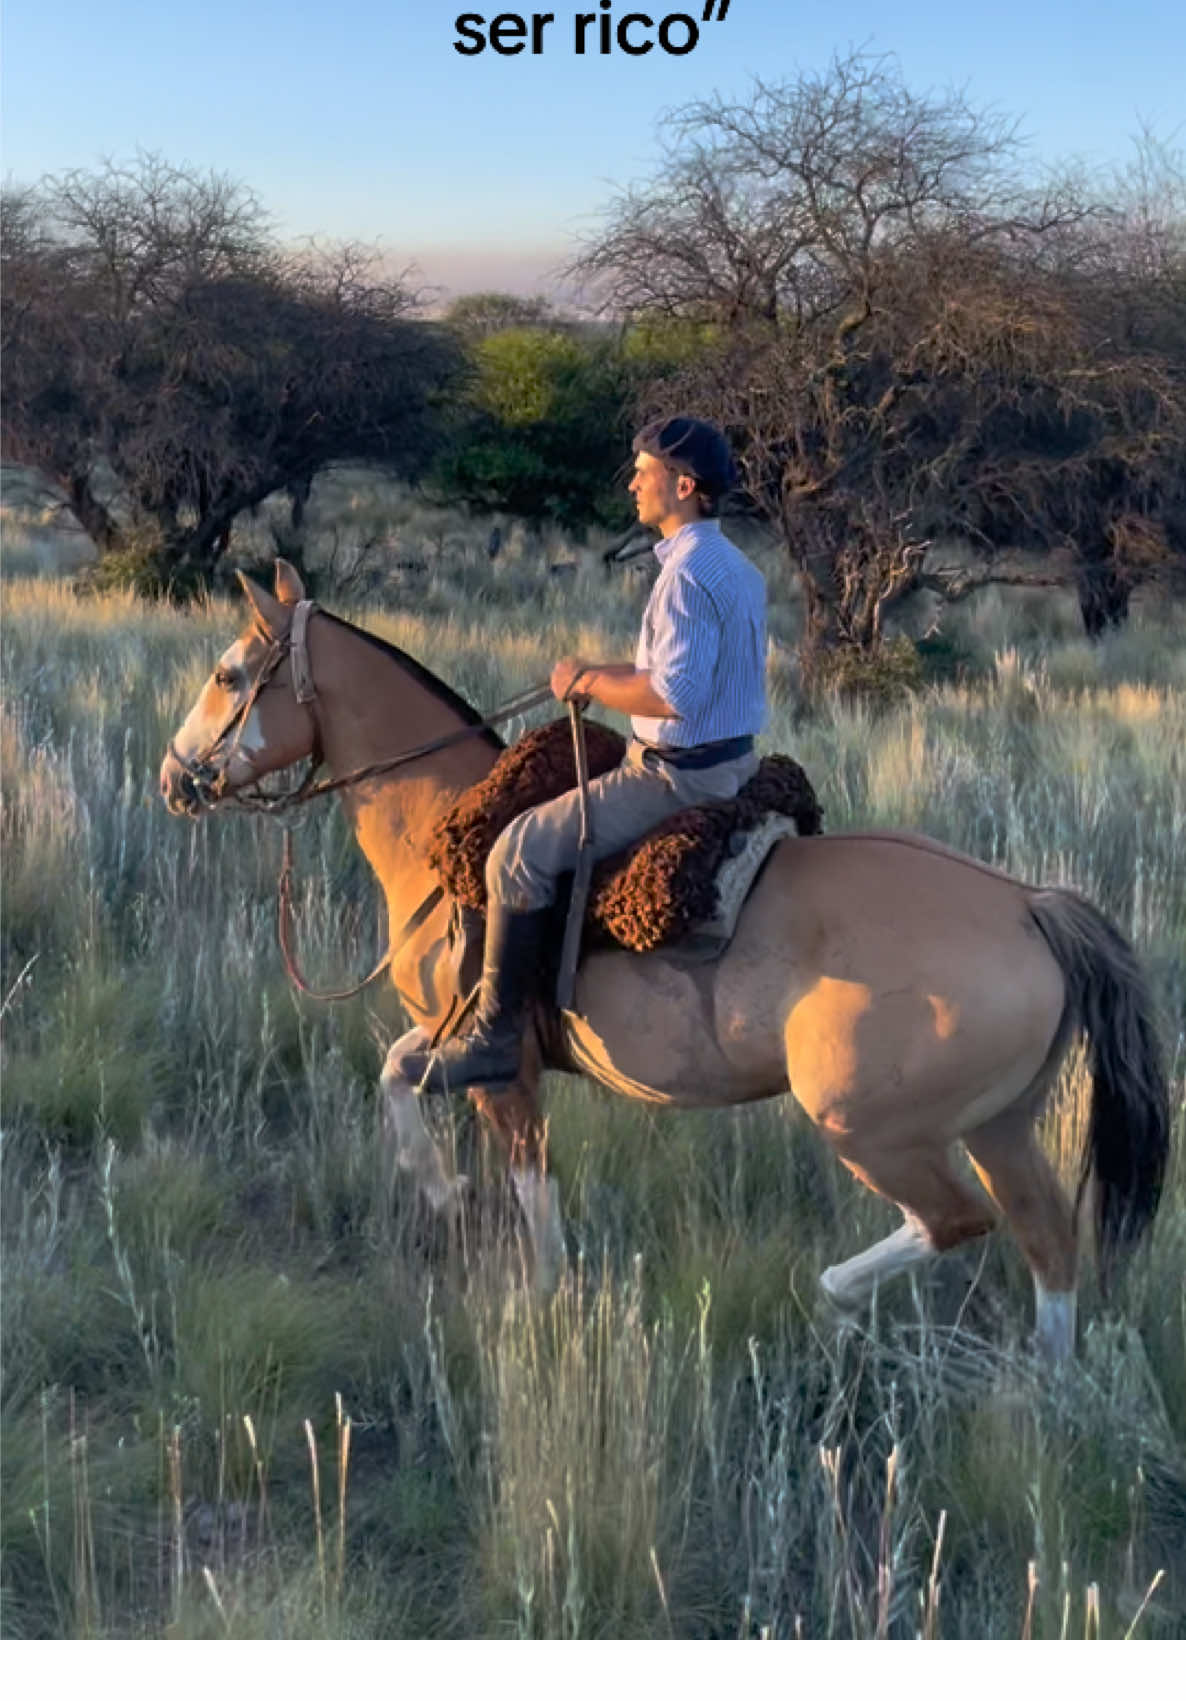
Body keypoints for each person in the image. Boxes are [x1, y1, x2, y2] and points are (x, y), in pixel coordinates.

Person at [397, 416, 767, 1092]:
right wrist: (599, 670)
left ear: (684, 486)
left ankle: (495, 1039)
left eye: (645, 472)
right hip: (734, 764)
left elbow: (673, 695)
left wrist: (590, 683)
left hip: (675, 780)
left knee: (516, 851)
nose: (632, 482)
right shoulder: (735, 567)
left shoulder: (684, 576)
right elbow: (685, 670)